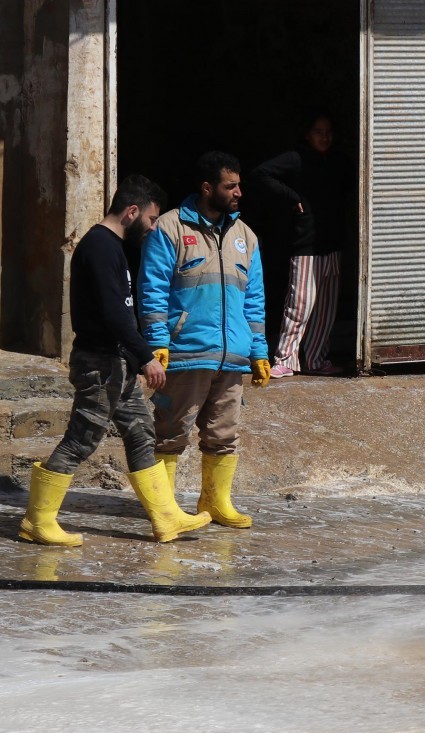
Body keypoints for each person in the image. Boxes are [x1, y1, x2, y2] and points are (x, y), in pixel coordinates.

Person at [19, 175, 212, 546]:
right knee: (81, 440)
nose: (154, 228)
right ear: (132, 211)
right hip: (100, 363)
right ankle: (37, 520)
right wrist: (145, 357)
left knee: (141, 431)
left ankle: (165, 517)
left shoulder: (111, 247)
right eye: (152, 219)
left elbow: (120, 310)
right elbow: (114, 314)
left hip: (116, 362)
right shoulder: (100, 247)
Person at [139, 151, 271, 529]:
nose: (239, 192)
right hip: (185, 353)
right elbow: (152, 290)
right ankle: (163, 509)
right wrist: (158, 341)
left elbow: (255, 299)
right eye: (231, 186)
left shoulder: (246, 236)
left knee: (224, 434)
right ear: (207, 188)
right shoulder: (169, 229)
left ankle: (216, 502)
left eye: (239, 185)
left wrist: (258, 351)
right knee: (170, 434)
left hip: (232, 357)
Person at [247, 110, 355, 377]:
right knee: (300, 304)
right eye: (318, 132)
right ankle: (285, 358)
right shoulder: (297, 159)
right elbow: (261, 174)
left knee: (326, 308)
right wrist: (291, 197)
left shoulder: (339, 161)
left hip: (333, 244)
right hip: (306, 246)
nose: (325, 137)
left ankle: (316, 359)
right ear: (307, 135)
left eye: (328, 132)